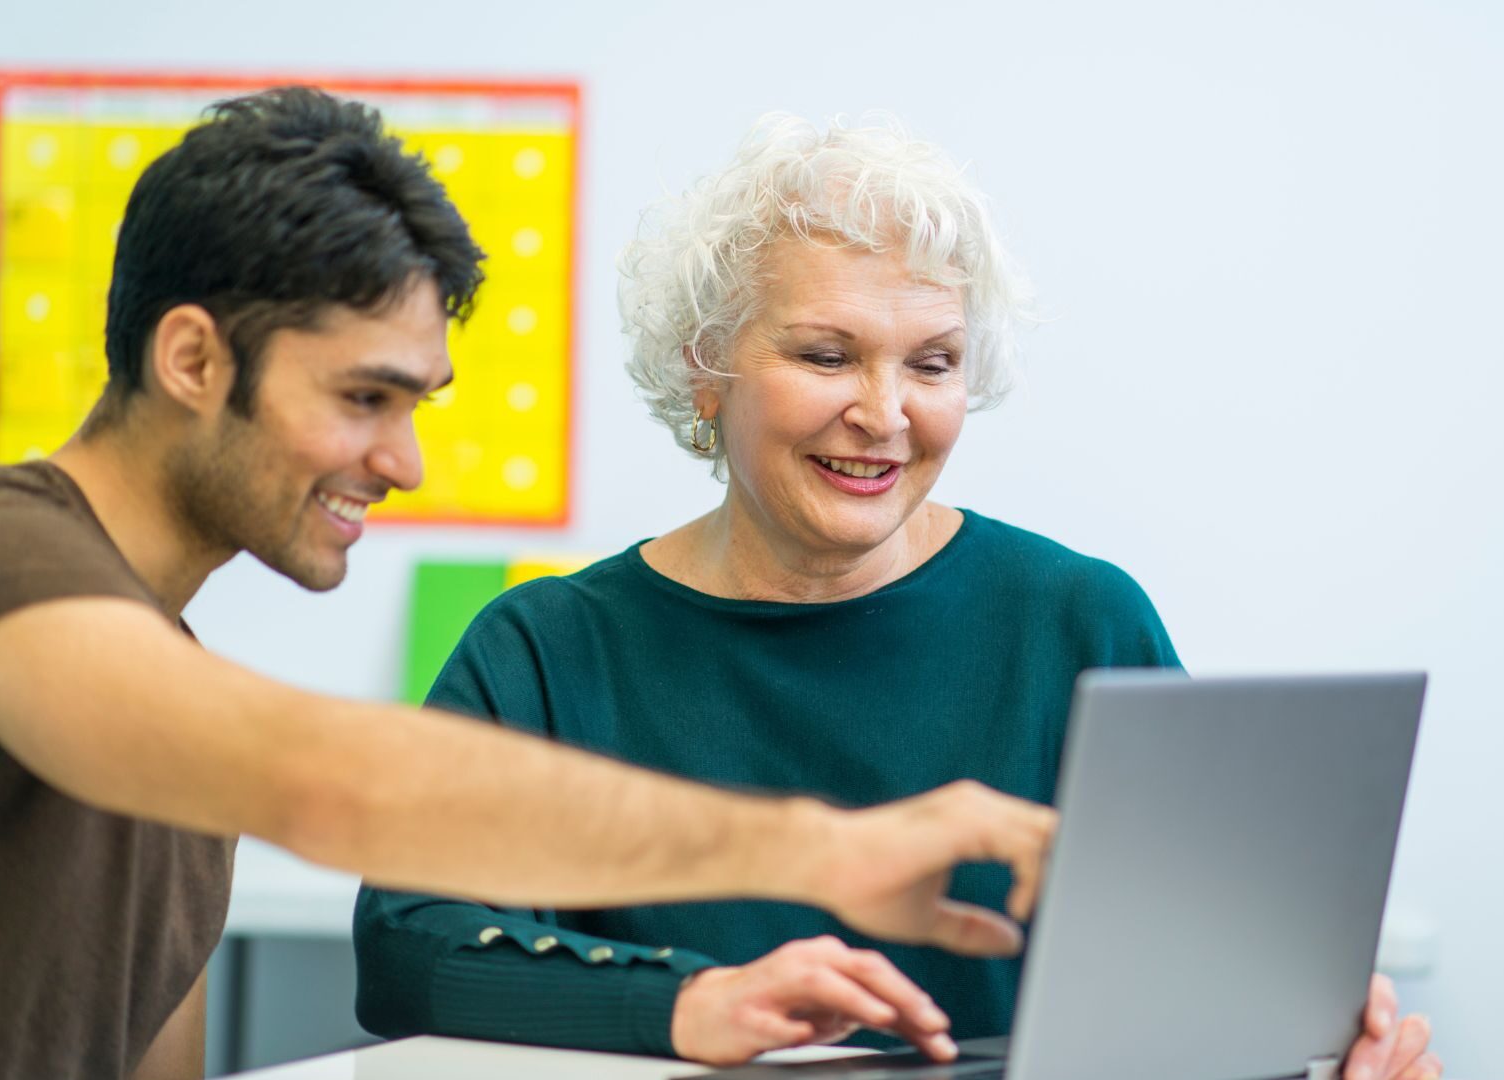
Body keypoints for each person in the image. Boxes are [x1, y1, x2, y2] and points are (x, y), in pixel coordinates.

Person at [0, 92, 1060, 1080]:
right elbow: (326, 787)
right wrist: (826, 854)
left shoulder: (167, 709)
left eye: (415, 403)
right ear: (192, 361)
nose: (403, 462)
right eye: (365, 398)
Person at [353, 115, 1445, 1080]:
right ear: (704, 367)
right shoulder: (547, 650)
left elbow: (1204, 975)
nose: (884, 414)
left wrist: (1306, 1053)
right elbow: (405, 948)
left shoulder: (1078, 623)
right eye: (826, 354)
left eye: (931, 364)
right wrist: (685, 1005)